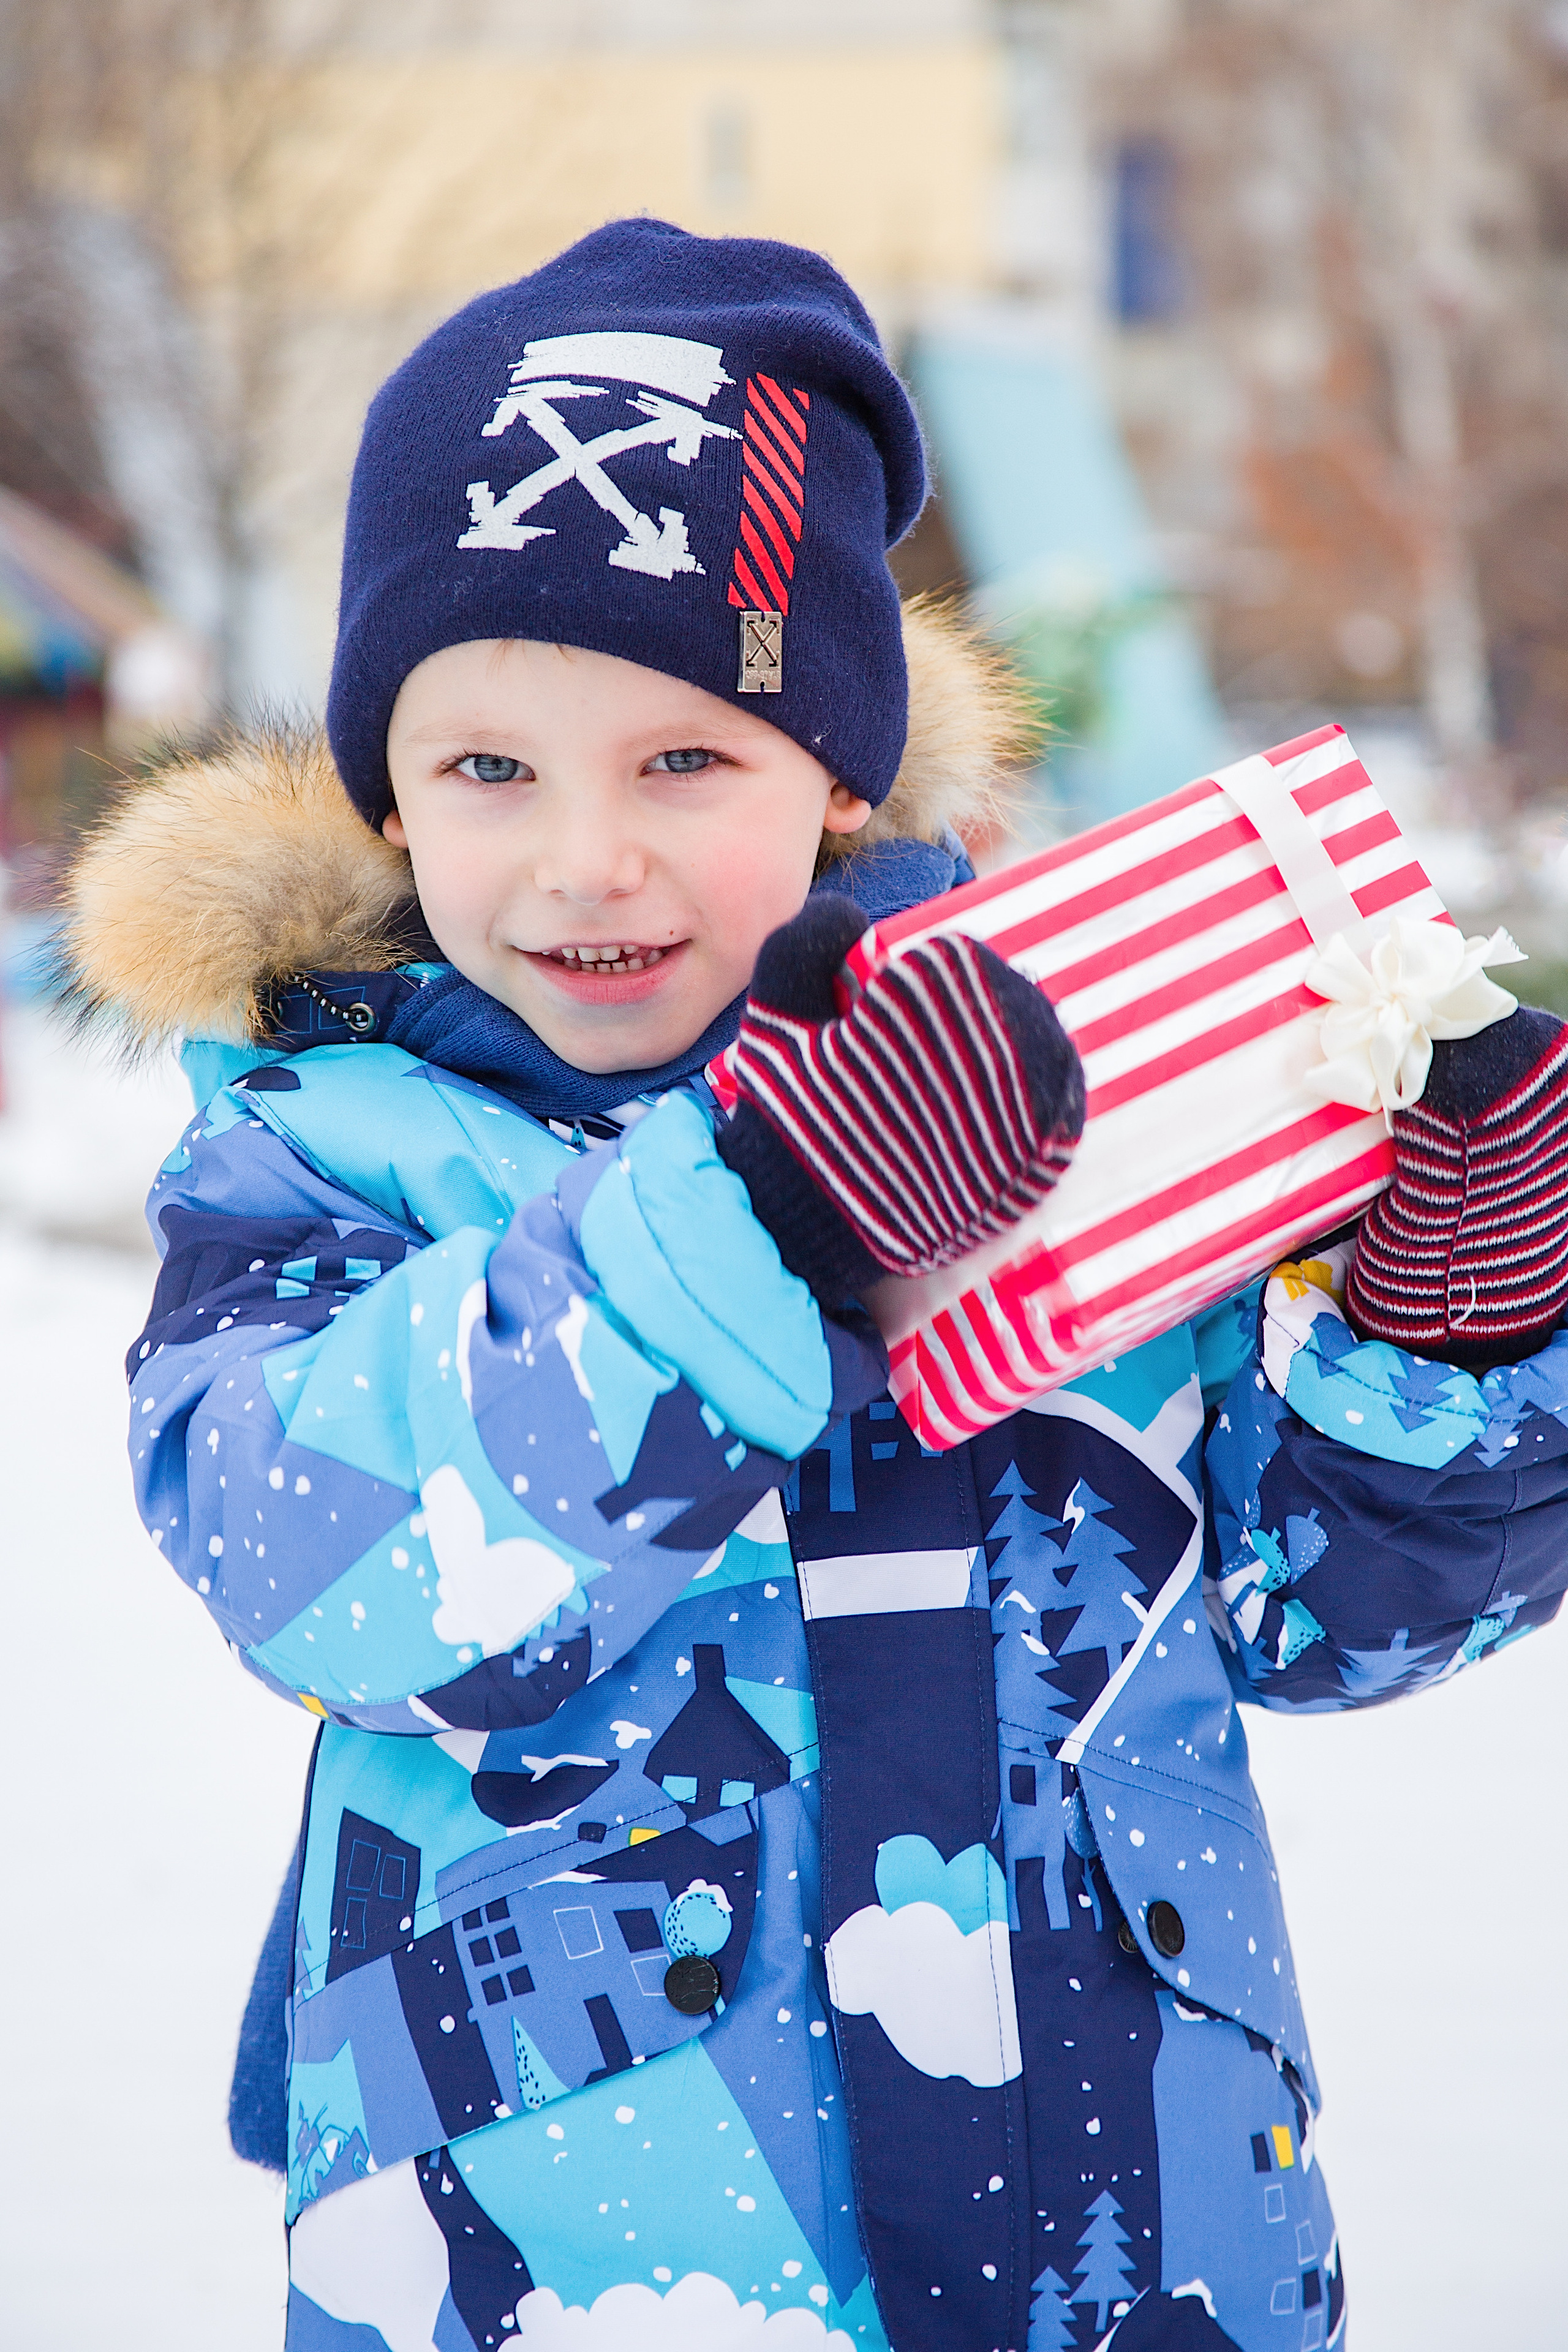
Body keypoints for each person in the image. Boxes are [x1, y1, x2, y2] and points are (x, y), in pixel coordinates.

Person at [62, 220, 1568, 2352]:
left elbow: (1318, 1620)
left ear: (841, 775)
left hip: (1138, 2260)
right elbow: (324, 1572)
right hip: (589, 2275)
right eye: (489, 769)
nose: (590, 858)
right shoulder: (334, 1154)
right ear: (389, 802)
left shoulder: (1078, 1109)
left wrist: (1457, 1323)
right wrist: (761, 1222)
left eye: (689, 760)